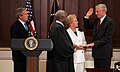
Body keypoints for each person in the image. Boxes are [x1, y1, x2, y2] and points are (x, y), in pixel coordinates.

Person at [83, 4, 115, 69]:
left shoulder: (110, 22)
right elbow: (87, 26)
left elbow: (107, 38)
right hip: (96, 53)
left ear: (103, 11)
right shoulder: (97, 21)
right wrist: (87, 16)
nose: (96, 13)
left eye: (97, 11)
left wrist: (94, 43)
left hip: (104, 54)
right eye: (96, 11)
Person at [10, 7, 29, 72]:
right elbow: (16, 41)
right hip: (19, 56)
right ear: (20, 16)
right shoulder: (15, 26)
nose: (27, 15)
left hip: (26, 55)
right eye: (26, 14)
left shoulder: (26, 25)